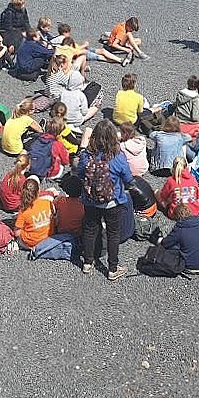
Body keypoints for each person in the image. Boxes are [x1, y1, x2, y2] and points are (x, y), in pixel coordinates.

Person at [77, 120, 134, 280]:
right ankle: (112, 268)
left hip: (90, 200)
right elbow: (128, 178)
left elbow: (80, 173)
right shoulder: (118, 156)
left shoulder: (86, 156)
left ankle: (87, 263)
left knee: (90, 229)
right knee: (113, 233)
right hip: (112, 201)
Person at [159, 204, 199, 275]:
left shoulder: (179, 228)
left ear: (176, 217)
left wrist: (160, 240)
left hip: (189, 266)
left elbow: (166, 243)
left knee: (173, 244)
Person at [14, 177, 55, 249]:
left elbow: (17, 233)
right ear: (38, 192)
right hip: (48, 238)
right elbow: (54, 215)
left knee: (17, 232)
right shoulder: (47, 202)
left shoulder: (24, 210)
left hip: (31, 242)